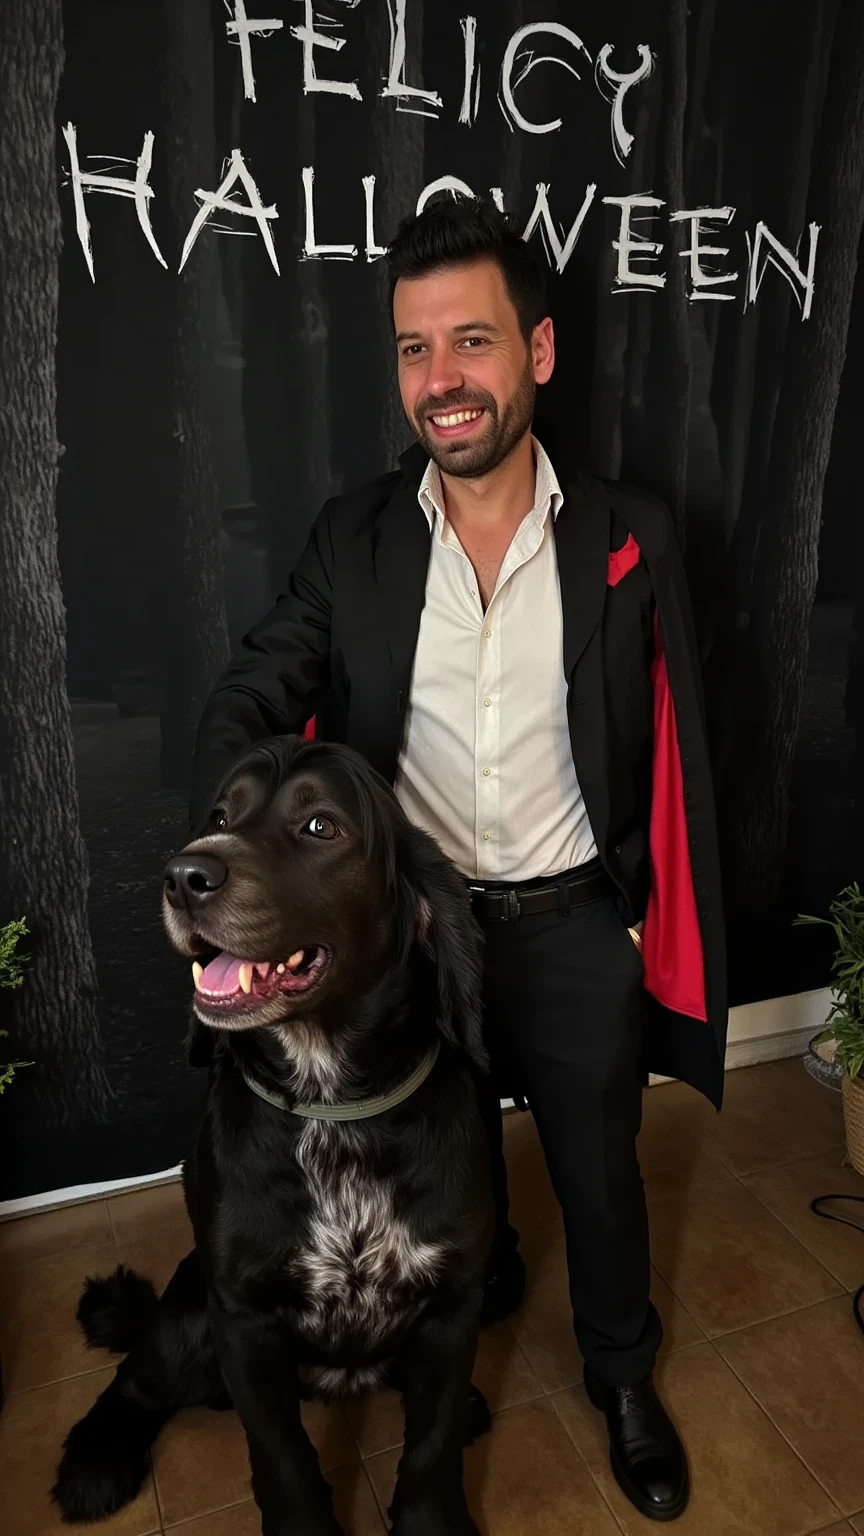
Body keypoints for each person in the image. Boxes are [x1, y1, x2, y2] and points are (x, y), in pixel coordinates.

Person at [190, 198, 727, 1524]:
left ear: (538, 354)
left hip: (562, 929)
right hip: (405, 946)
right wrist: (252, 810)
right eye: (415, 350)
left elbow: (678, 751)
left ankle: (621, 1380)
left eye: (471, 342)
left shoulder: (631, 534)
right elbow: (256, 694)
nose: (442, 380)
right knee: (425, 1170)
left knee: (599, 1176)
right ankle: (448, 1309)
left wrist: (635, 919)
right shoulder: (354, 537)